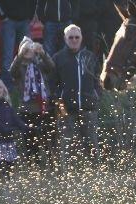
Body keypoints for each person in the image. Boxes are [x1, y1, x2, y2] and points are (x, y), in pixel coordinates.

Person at [52, 24, 101, 171]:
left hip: (88, 107)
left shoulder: (90, 57)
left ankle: (95, 173)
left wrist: (96, 96)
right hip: (65, 108)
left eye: (76, 37)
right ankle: (65, 175)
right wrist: (59, 102)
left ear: (81, 38)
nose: (74, 40)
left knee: (92, 143)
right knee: (65, 144)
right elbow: (52, 84)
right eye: (70, 37)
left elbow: (98, 80)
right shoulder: (58, 58)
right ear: (65, 39)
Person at [10, 36, 55, 166]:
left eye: (31, 48)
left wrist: (43, 53)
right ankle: (34, 167)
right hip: (27, 110)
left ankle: (52, 166)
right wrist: (19, 55)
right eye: (26, 48)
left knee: (48, 141)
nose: (29, 50)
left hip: (44, 108)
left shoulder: (40, 64)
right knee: (30, 143)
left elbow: (51, 67)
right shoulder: (19, 67)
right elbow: (12, 71)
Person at [0, 0, 38, 90]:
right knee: (8, 56)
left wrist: (31, 15)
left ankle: (27, 86)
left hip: (24, 20)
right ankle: (7, 87)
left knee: (28, 54)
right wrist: (3, 16)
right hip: (9, 21)